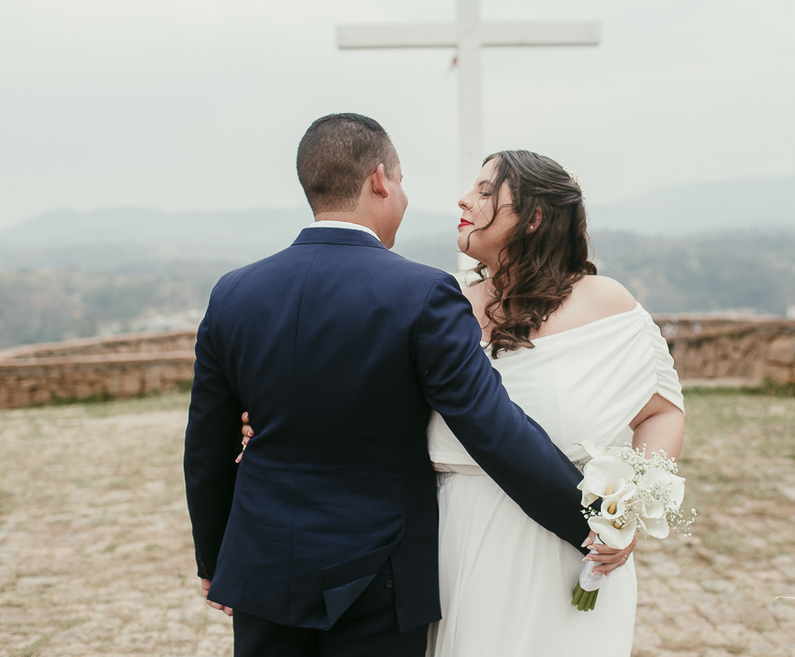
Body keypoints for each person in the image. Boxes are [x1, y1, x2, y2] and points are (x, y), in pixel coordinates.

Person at [183, 114, 633, 657]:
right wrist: (588, 521)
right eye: (401, 181)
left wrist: (213, 559)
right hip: (376, 576)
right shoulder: (422, 293)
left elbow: (206, 446)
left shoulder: (233, 293)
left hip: (261, 567)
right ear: (380, 180)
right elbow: (489, 425)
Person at [426, 149, 686, 656]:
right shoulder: (443, 303)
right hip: (448, 539)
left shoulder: (606, 305)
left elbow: (661, 411)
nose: (464, 199)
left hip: (559, 549)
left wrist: (628, 509)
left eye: (485, 191)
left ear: (534, 217)